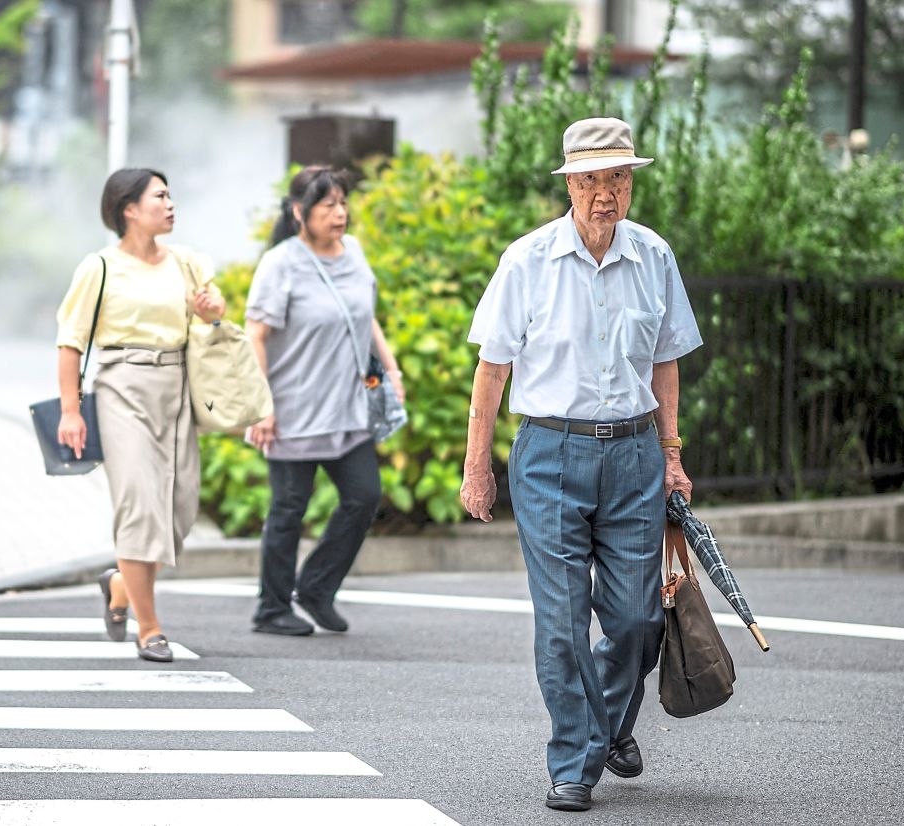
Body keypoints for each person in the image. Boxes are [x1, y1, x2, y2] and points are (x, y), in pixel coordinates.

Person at [460, 117, 703, 812]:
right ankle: (576, 759)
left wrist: (671, 455)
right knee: (562, 620)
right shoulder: (527, 259)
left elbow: (665, 361)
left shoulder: (653, 254)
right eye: (592, 179)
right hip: (549, 454)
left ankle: (603, 724)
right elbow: (492, 371)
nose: (607, 193)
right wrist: (479, 468)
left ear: (632, 183)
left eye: (619, 177)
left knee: (636, 621)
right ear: (569, 183)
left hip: (632, 452)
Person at [55, 168, 226, 663]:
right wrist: (71, 411)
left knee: (178, 509)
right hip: (120, 387)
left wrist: (213, 310)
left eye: (171, 194)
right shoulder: (100, 267)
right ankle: (148, 628)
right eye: (160, 196)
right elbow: (70, 342)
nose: (171, 204)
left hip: (176, 385)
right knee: (139, 506)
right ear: (129, 209)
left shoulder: (188, 262)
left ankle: (119, 584)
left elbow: (212, 318)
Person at [244, 165, 405, 636]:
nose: (340, 214)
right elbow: (255, 335)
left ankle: (315, 587)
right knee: (288, 508)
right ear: (300, 213)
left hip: (349, 405)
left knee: (364, 496)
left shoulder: (352, 251)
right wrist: (262, 405)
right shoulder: (280, 263)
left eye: (342, 203)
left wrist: (390, 370)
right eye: (327, 206)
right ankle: (271, 608)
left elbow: (365, 318)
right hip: (293, 408)